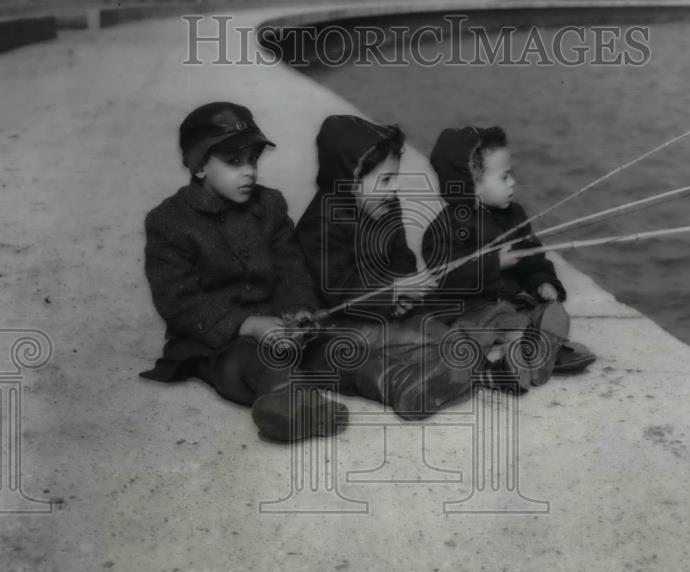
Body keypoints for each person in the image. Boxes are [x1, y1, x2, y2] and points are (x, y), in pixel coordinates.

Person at [140, 101, 347, 442]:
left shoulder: (269, 205)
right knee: (251, 362)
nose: (249, 170)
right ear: (199, 166)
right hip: (215, 341)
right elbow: (178, 303)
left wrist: (297, 310)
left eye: (253, 159)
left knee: (332, 346)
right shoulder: (169, 223)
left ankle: (396, 379)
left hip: (278, 325)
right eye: (234, 161)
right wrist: (248, 324)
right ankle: (292, 407)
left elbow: (291, 268)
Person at [294, 114, 475, 419]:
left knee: (437, 329)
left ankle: (447, 365)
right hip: (334, 326)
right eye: (385, 179)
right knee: (353, 359)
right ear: (349, 177)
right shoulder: (320, 224)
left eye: (395, 178)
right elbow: (337, 292)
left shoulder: (387, 206)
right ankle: (405, 385)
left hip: (381, 313)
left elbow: (401, 257)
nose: (393, 189)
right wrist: (395, 291)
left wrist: (404, 294)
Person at [422, 125, 596, 390]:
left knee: (532, 313)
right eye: (504, 177)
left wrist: (542, 281)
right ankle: (519, 359)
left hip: (511, 302)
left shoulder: (514, 214)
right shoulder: (443, 229)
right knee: (484, 330)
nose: (513, 182)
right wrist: (494, 264)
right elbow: (447, 277)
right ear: (473, 185)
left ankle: (529, 352)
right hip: (471, 307)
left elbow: (533, 257)